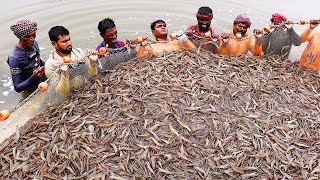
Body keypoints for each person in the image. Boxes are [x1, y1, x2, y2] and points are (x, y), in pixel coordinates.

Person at [45, 26, 100, 97]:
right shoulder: (50, 65)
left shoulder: (79, 53)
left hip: (85, 90)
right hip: (69, 98)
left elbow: (92, 76)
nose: (69, 43)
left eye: (69, 39)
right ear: (54, 44)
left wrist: (92, 63)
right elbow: (62, 93)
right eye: (64, 41)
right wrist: (64, 73)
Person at [7, 19, 46, 98]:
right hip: (32, 88)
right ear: (20, 37)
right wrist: (34, 77)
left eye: (34, 35)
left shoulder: (34, 43)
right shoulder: (14, 58)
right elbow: (17, 87)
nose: (32, 39)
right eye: (28, 37)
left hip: (43, 80)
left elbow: (38, 61)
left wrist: (46, 66)